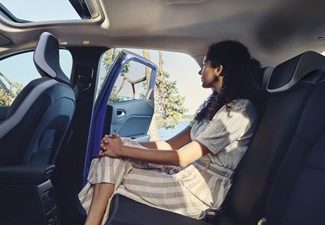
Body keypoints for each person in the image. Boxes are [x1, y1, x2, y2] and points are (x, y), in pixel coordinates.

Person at [79, 40, 263, 225]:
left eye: (205, 64)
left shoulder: (238, 111)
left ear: (219, 69)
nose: (200, 71)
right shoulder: (214, 106)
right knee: (111, 162)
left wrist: (121, 150)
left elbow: (182, 157)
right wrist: (123, 144)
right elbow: (171, 145)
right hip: (183, 176)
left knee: (111, 174)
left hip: (198, 193)